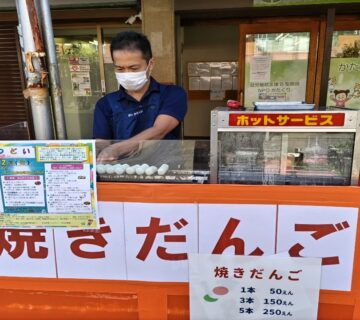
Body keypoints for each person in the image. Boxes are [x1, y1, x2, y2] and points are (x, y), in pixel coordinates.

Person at [93, 31, 187, 161]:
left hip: (165, 170)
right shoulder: (105, 104)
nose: (127, 73)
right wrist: (100, 150)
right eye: (120, 69)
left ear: (151, 64)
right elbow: (102, 141)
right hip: (122, 172)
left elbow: (159, 130)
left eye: (134, 68)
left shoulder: (172, 94)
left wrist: (117, 149)